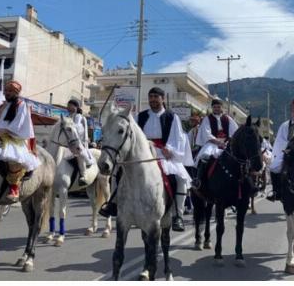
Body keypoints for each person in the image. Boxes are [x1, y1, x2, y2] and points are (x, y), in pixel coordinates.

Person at [99, 87, 193, 232]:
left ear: (162, 98)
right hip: (143, 155)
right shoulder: (140, 116)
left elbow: (178, 137)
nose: (153, 99)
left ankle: (177, 215)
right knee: (118, 173)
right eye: (151, 97)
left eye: (156, 96)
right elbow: (131, 135)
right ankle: (114, 203)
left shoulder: (171, 117)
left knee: (179, 179)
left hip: (163, 154)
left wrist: (171, 150)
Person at [0, 80, 40, 203]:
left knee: (13, 158)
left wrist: (0, 134)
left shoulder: (22, 105)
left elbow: (17, 125)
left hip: (13, 138)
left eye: (10, 91)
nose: (7, 93)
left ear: (16, 93)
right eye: (6, 91)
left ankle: (14, 188)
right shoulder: (2, 106)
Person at [192, 100, 239, 191]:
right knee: (204, 156)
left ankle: (239, 180)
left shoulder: (228, 119)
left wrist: (227, 141)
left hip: (226, 143)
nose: (216, 109)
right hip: (212, 143)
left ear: (222, 107)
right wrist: (218, 142)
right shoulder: (207, 119)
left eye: (218, 107)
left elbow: (235, 132)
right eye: (214, 107)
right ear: (212, 108)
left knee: (237, 157)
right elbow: (207, 133)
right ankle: (198, 179)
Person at [66, 99, 95, 187]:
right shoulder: (67, 117)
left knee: (79, 156)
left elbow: (84, 132)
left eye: (70, 105)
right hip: (68, 143)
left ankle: (83, 175)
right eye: (68, 106)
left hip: (80, 142)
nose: (68, 107)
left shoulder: (81, 118)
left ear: (76, 107)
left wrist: (83, 143)